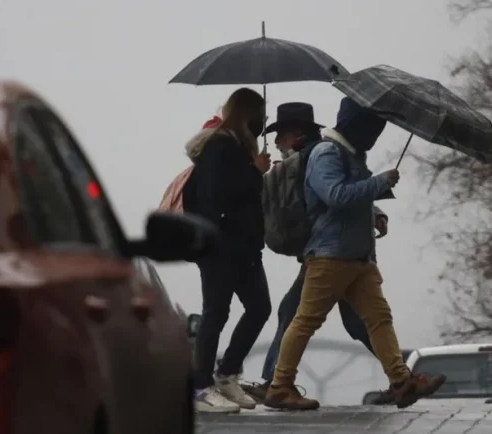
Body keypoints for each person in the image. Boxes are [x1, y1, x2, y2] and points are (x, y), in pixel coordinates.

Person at [263, 97, 446, 411]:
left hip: (357, 256)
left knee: (377, 319)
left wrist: (374, 207)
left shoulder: (349, 155)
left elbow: (351, 192)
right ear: (356, 125)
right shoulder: (325, 153)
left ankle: (401, 381)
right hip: (330, 254)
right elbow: (334, 195)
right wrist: (379, 183)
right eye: (371, 129)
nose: (374, 137)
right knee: (304, 319)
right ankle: (279, 386)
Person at [240, 102, 394, 404]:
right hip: (332, 249)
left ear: (295, 134)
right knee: (359, 321)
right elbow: (340, 190)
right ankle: (402, 375)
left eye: (280, 136)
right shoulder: (310, 157)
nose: (276, 144)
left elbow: (334, 190)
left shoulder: (313, 156)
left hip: (329, 252)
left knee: (297, 313)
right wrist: (374, 210)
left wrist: (255, 174)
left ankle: (275, 382)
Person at [181, 88, 273, 413]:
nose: (262, 122)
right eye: (259, 114)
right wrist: (255, 171)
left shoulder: (237, 149)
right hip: (220, 247)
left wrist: (252, 167)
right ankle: (200, 387)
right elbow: (217, 195)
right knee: (216, 313)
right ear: (245, 114)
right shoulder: (219, 147)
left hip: (244, 247)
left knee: (259, 307)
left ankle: (227, 373)